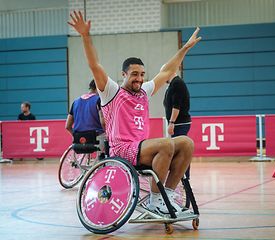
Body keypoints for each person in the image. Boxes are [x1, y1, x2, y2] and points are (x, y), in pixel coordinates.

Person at [68, 11, 201, 215]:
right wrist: (86, 36)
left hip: (141, 148)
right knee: (166, 143)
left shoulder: (144, 91)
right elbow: (94, 65)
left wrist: (185, 48)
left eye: (141, 75)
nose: (139, 79)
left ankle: (167, 194)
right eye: (134, 75)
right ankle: (155, 201)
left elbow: (167, 71)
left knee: (186, 143)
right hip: (121, 150)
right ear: (124, 74)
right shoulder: (111, 91)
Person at [65, 79, 107, 158]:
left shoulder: (75, 102)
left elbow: (67, 126)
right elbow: (103, 123)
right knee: (111, 138)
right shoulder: (99, 100)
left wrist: (75, 136)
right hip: (96, 138)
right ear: (98, 87)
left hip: (79, 140)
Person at [163, 73, 192, 179]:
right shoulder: (173, 84)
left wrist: (172, 123)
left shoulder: (177, 84)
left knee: (181, 152)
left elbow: (176, 105)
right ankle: (182, 178)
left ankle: (184, 179)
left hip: (179, 123)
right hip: (177, 123)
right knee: (178, 152)